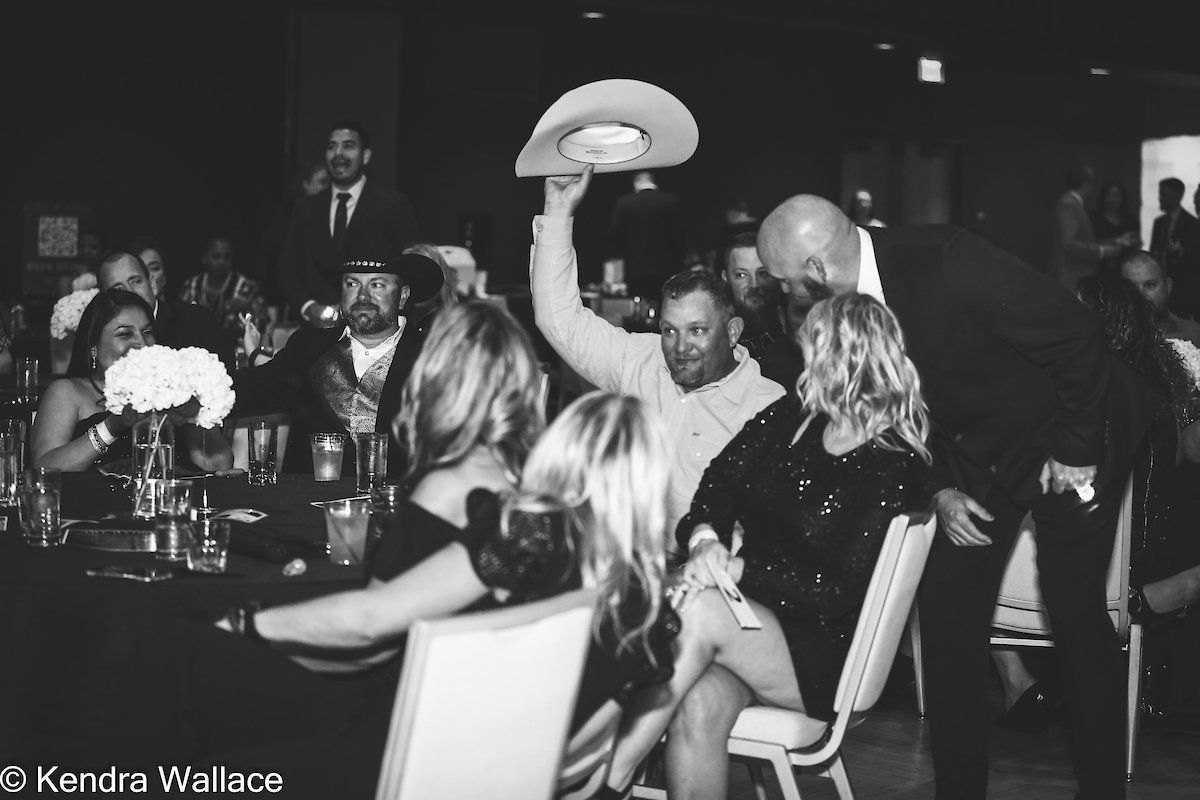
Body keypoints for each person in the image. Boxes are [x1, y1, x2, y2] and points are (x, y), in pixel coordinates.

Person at [757, 193, 1160, 800]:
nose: (785, 295)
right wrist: (941, 487)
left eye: (787, 282)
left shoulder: (947, 258)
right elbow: (903, 414)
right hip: (980, 449)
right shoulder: (843, 308)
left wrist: (1076, 452)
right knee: (947, 609)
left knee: (1073, 606)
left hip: (1079, 423)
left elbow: (1077, 336)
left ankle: (1104, 789)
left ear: (815, 268)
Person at [84, 391, 676, 800]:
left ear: (561, 451)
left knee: (175, 650)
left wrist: (243, 623)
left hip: (386, 759)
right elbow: (592, 746)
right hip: (466, 770)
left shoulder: (531, 537)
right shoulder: (646, 605)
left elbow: (372, 618)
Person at [601, 293, 931, 797]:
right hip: (748, 625)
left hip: (823, 652)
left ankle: (611, 774)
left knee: (699, 609)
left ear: (847, 357)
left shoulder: (894, 463)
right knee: (698, 706)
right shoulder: (793, 418)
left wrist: (736, 572)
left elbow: (836, 591)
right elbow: (717, 485)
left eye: (813, 350)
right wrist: (708, 542)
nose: (804, 361)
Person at [532, 165, 784, 532]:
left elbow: (772, 524)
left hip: (696, 569)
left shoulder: (767, 405)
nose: (681, 347)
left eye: (697, 330)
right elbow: (559, 320)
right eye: (670, 330)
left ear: (732, 332)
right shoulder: (641, 360)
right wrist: (557, 210)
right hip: (622, 553)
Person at [232, 251, 444, 476]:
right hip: (310, 503)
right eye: (352, 283)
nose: (363, 296)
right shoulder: (308, 347)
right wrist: (197, 386)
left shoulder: (432, 357)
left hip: (395, 502)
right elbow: (252, 389)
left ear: (402, 296)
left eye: (377, 285)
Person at [29, 289, 232, 473]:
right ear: (93, 348)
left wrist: (189, 409)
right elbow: (45, 467)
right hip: (94, 508)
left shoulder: (171, 389)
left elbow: (218, 464)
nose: (142, 343)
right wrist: (112, 426)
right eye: (125, 334)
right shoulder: (67, 392)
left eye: (147, 332)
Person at [278, 121, 421, 326]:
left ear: (366, 156)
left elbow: (411, 267)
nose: (338, 154)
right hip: (314, 331)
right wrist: (308, 307)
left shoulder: (392, 205)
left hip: (373, 331)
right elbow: (287, 269)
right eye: (331, 147)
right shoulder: (305, 208)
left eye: (348, 146)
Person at [98, 251, 233, 374]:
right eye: (118, 289)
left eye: (136, 282)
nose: (131, 292)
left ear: (152, 285)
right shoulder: (105, 339)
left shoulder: (196, 321)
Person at [1050, 165, 1135, 290]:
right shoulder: (1069, 205)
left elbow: (1085, 241)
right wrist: (1102, 252)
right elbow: (1068, 243)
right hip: (1071, 275)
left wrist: (1117, 241)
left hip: (1076, 275)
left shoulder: (1075, 204)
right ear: (1086, 183)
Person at [607, 170, 686, 299]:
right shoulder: (671, 201)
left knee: (637, 307)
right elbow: (680, 236)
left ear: (635, 183)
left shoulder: (625, 203)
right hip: (666, 268)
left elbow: (613, 235)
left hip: (634, 268)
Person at [178, 235, 262, 333]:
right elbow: (179, 320)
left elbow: (262, 321)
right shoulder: (191, 285)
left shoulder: (246, 286)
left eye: (227, 257)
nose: (222, 262)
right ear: (204, 258)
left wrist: (247, 307)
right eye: (216, 257)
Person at [721, 231, 783, 360]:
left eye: (763, 273)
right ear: (725, 278)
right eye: (741, 275)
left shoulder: (797, 327)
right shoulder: (719, 342)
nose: (753, 285)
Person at [1120, 251, 1200, 348]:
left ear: (1168, 286)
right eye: (1131, 287)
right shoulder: (1108, 339)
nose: (1140, 295)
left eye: (1150, 285)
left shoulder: (1195, 335)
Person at [1150, 177, 1200, 320]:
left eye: (1164, 194)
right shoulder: (1159, 222)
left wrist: (1181, 252)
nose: (1160, 198)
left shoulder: (1193, 224)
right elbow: (1154, 251)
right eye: (1160, 194)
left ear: (1177, 196)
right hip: (1159, 282)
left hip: (1182, 288)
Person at [757, 292, 811, 391]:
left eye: (824, 309)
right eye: (803, 311)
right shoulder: (772, 377)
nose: (815, 320)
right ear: (782, 317)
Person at [1091, 180, 1141, 274]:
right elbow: (1090, 243)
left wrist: (1133, 242)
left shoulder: (1130, 219)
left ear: (1122, 198)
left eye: (1115, 195)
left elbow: (1136, 242)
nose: (1111, 199)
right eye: (1108, 195)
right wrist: (1119, 240)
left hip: (1125, 269)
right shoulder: (1094, 218)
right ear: (1103, 198)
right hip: (1099, 268)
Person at [128, 236, 169, 302]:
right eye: (141, 269)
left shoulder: (185, 311)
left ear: (164, 277)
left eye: (154, 268)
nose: (149, 275)